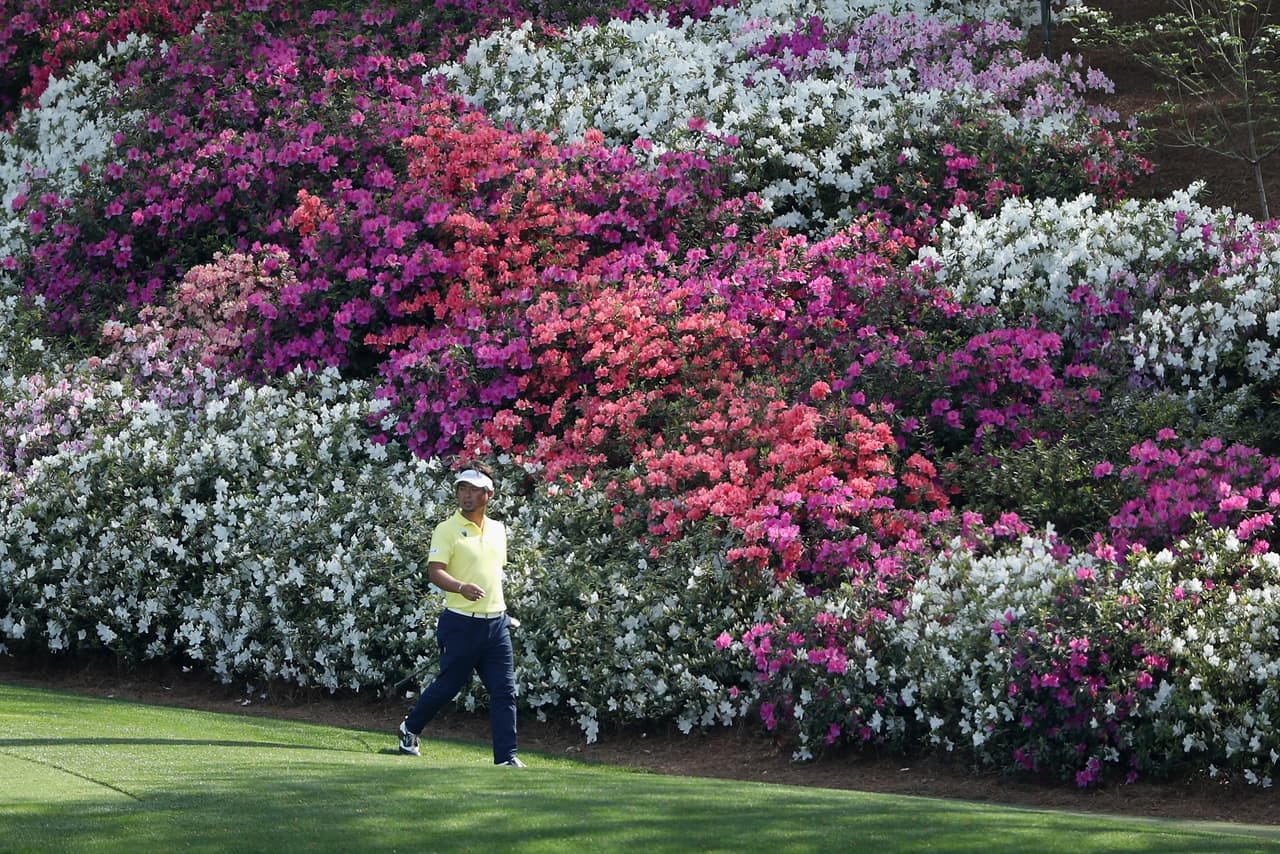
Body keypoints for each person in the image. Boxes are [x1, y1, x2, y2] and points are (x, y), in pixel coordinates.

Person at [397, 463, 525, 766]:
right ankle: (409, 728)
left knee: (504, 690)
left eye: (473, 490)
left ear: (488, 494)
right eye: (462, 489)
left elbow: (491, 574)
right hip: (460, 624)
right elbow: (435, 572)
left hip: (496, 625)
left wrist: (499, 611)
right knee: (448, 687)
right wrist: (460, 587)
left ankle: (506, 758)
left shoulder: (498, 530)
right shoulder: (446, 529)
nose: (466, 495)